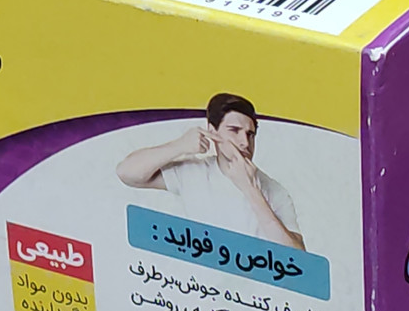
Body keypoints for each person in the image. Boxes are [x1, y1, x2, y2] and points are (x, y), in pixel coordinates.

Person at [116, 93, 304, 250]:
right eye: (234, 130)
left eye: (250, 134)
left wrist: (251, 190)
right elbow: (127, 173)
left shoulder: (275, 190)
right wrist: (179, 146)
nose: (245, 143)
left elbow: (298, 259)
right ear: (212, 131)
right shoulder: (193, 172)